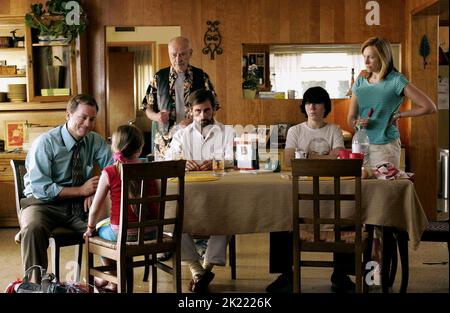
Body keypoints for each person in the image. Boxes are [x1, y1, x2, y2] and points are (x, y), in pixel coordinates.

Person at [347, 36, 436, 274]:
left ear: (383, 57)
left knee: (380, 212)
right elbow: (350, 117)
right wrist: (358, 121)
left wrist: (399, 116)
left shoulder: (396, 81)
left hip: (385, 147)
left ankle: (375, 272)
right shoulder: (361, 81)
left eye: (371, 56)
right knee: (359, 207)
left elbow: (429, 106)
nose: (365, 60)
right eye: (364, 55)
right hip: (361, 147)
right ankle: (362, 269)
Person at [267, 86, 356, 293]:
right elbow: (289, 160)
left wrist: (306, 158)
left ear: (325, 107)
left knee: (348, 212)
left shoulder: (334, 129)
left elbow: (338, 158)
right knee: (280, 213)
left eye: (316, 102)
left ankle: (341, 274)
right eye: (308, 102)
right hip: (299, 189)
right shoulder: (295, 130)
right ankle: (285, 274)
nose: (312, 107)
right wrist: (323, 159)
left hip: (330, 189)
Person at [19, 94, 113, 282]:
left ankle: (109, 279)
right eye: (82, 117)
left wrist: (96, 191)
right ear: (68, 115)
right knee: (33, 228)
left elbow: (113, 168)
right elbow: (40, 188)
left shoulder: (94, 140)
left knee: (110, 226)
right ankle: (35, 284)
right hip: (43, 204)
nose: (87, 124)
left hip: (80, 206)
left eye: (92, 119)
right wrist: (82, 190)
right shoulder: (45, 143)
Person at [166, 89, 234, 292]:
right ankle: (197, 269)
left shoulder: (227, 132)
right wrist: (182, 163)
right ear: (190, 112)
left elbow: (234, 158)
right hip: (188, 195)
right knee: (171, 216)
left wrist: (216, 163)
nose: (203, 116)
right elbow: (171, 158)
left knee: (231, 216)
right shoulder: (181, 135)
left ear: (213, 110)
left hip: (218, 194)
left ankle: (205, 267)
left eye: (207, 111)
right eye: (198, 111)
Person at [83, 125, 159, 292]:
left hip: (122, 234)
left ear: (114, 147)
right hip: (154, 231)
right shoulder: (151, 169)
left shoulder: (110, 172)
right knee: (108, 227)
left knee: (100, 230)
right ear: (140, 149)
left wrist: (90, 228)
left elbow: (95, 208)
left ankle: (112, 278)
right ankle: (110, 280)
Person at [140, 36, 218, 160]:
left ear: (190, 53)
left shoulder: (201, 77)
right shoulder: (158, 78)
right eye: (174, 55)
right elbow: (146, 107)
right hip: (165, 142)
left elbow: (214, 107)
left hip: (195, 138)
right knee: (166, 177)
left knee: (194, 174)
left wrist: (195, 120)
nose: (178, 59)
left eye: (182, 54)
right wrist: (156, 116)